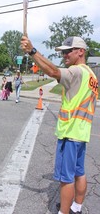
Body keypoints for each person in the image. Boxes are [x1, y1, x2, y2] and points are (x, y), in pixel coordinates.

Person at [21, 36, 98, 214]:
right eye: (62, 52)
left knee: (66, 178)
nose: (64, 55)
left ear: (81, 51)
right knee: (79, 172)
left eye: (67, 51)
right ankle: (76, 207)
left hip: (70, 132)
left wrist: (33, 51)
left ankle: (64, 212)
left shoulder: (77, 71)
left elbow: (54, 72)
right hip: (82, 133)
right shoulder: (91, 74)